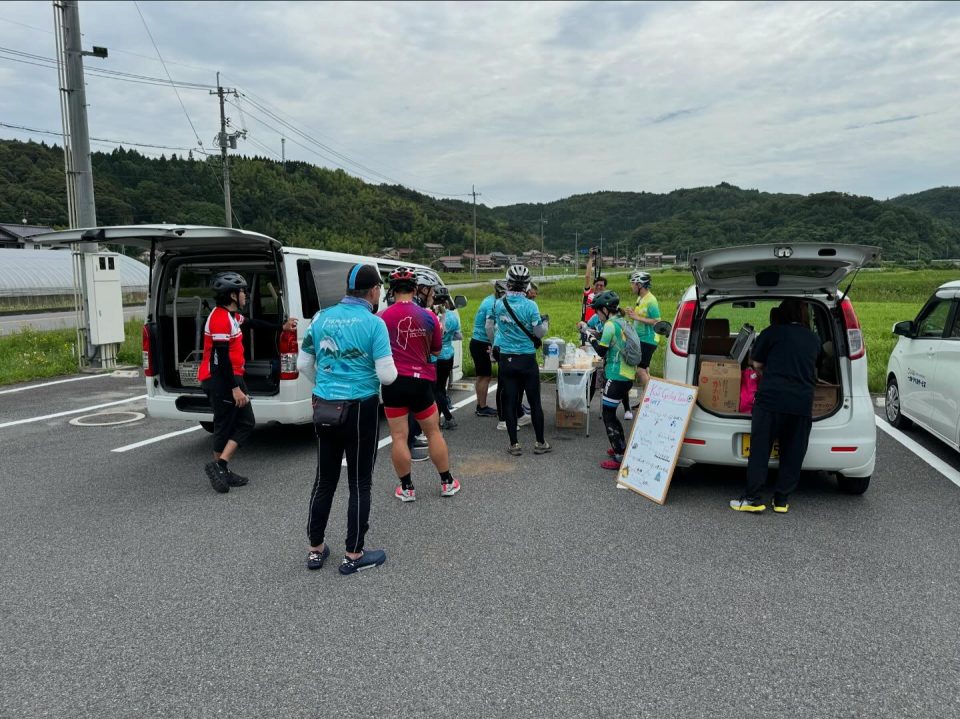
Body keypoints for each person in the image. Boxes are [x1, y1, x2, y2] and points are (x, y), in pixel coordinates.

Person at [297, 263, 394, 574]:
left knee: (324, 479)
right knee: (359, 482)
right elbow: (387, 375)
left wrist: (326, 384)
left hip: (325, 404)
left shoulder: (321, 318)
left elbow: (303, 364)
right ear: (374, 290)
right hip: (361, 407)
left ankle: (315, 549)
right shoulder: (374, 323)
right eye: (379, 288)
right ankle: (353, 555)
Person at [198, 271, 298, 494]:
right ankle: (220, 468)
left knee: (243, 422)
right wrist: (235, 388)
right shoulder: (220, 320)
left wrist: (280, 327)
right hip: (221, 379)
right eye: (242, 291)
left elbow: (252, 323)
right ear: (233, 295)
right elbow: (220, 360)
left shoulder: (231, 316)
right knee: (228, 424)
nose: (245, 295)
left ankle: (221, 467)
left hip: (230, 377)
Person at [730, 299, 821, 514]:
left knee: (761, 449)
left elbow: (757, 363)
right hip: (801, 402)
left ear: (780, 314)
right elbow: (814, 364)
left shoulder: (772, 332)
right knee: (793, 451)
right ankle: (781, 500)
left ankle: (753, 499)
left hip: (771, 400)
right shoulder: (813, 338)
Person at [380, 267, 461, 502]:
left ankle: (407, 488)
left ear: (392, 291)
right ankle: (447, 482)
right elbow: (436, 350)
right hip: (421, 382)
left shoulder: (381, 317)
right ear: (415, 289)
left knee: (398, 436)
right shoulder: (428, 316)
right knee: (433, 432)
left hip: (393, 382)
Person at [487, 264, 551, 456]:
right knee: (534, 401)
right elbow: (539, 332)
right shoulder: (531, 305)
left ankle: (514, 444)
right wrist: (545, 323)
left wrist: (496, 344)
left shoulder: (498, 304)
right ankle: (540, 443)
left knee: (509, 400)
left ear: (508, 283)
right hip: (527, 359)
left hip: (506, 359)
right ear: (527, 285)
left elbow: (489, 327)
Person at [584, 291, 636, 470]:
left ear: (605, 310)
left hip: (616, 376)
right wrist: (594, 333)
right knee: (612, 414)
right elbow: (611, 340)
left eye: (597, 311)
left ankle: (620, 456)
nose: (596, 314)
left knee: (608, 416)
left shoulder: (609, 325)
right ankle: (621, 448)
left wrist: (588, 335)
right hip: (628, 375)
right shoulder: (622, 322)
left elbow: (601, 351)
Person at [624, 270, 662, 408]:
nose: (632, 286)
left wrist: (636, 317)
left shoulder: (651, 300)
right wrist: (632, 314)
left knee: (640, 371)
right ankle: (650, 399)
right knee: (645, 370)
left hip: (649, 339)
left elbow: (657, 321)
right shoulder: (640, 298)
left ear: (640, 284)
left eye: (633, 284)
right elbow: (639, 317)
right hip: (641, 339)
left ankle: (648, 403)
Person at [470, 280, 505, 417]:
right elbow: (488, 327)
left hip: (478, 341)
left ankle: (480, 405)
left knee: (482, 376)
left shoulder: (489, 299)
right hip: (482, 342)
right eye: (502, 293)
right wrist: (494, 344)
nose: (504, 296)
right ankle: (482, 407)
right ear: (497, 292)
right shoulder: (492, 303)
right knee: (485, 376)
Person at [432, 285, 462, 430]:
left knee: (435, 391)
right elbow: (458, 335)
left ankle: (448, 417)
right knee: (441, 389)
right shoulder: (452, 316)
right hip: (448, 355)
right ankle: (439, 420)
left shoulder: (431, 315)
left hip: (435, 357)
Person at [582, 248, 607, 324]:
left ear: (605, 287)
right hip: (586, 323)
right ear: (593, 285)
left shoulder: (606, 297)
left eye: (601, 285)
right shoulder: (589, 292)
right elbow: (587, 277)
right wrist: (591, 258)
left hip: (600, 325)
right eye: (597, 285)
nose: (599, 287)